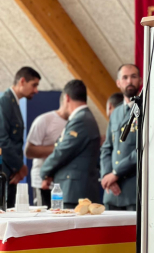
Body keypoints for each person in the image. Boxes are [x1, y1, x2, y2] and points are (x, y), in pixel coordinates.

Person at [40, 80, 100, 207]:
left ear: (66, 98)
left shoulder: (81, 120)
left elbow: (63, 151)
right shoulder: (83, 118)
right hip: (75, 191)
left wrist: (44, 172)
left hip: (75, 193)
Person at [101, 64, 141, 211]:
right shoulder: (116, 113)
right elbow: (107, 148)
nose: (129, 81)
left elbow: (142, 148)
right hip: (112, 192)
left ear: (140, 81)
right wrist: (107, 175)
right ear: (118, 83)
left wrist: (116, 173)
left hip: (132, 190)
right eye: (125, 77)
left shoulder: (146, 110)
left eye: (133, 77)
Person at [0, 66, 41, 207]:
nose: (36, 90)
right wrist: (19, 167)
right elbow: (2, 140)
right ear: (22, 81)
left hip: (11, 173)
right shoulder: (4, 101)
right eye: (34, 85)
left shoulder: (14, 103)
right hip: (5, 171)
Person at [24, 94, 68, 207]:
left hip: (65, 183)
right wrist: (61, 148)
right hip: (42, 183)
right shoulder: (44, 120)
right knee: (42, 222)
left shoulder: (76, 123)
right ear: (67, 99)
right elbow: (28, 151)